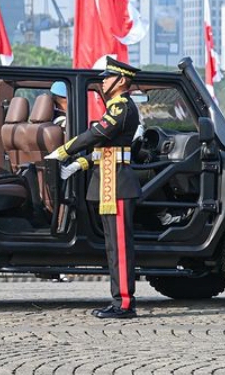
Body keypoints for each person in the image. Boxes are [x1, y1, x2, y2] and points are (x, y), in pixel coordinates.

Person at [47, 56, 141, 319]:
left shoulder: (121, 107)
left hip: (119, 184)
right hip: (111, 182)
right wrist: (80, 164)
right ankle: (119, 300)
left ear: (121, 80)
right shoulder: (115, 107)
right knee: (113, 246)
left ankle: (124, 303)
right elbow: (105, 153)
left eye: (108, 77)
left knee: (120, 246)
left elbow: (98, 134)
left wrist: (65, 149)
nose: (103, 81)